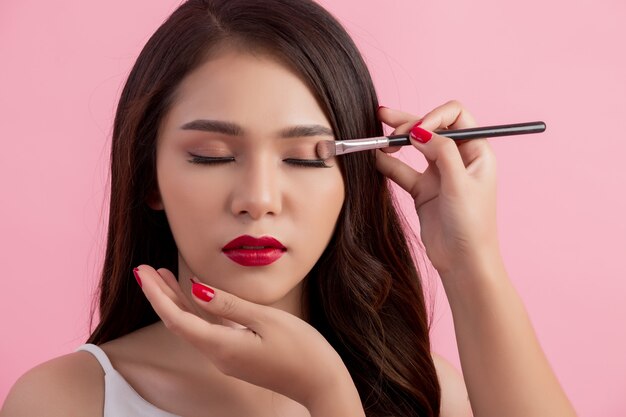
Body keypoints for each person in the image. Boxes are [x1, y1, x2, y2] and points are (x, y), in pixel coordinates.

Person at [1, 0, 577, 416]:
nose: (258, 199)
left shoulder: (423, 394)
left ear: (353, 176)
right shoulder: (66, 401)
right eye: (210, 156)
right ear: (149, 175)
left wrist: (470, 262)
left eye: (304, 158)